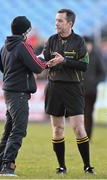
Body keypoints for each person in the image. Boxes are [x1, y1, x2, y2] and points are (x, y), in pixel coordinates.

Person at [0, 16, 60, 176]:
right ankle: (7, 166)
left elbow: (3, 68)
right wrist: (48, 62)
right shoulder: (23, 46)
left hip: (8, 92)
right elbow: (37, 68)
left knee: (9, 129)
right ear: (26, 31)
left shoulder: (5, 46)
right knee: (18, 130)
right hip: (19, 94)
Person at [43, 9, 95, 174]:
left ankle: (87, 166)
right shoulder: (51, 40)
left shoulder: (79, 42)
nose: (56, 23)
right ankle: (61, 167)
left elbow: (84, 66)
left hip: (73, 87)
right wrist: (46, 64)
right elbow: (43, 60)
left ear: (69, 23)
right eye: (56, 20)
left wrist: (64, 60)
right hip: (54, 87)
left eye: (60, 20)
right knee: (57, 129)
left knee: (78, 128)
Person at [83, 36, 105, 139]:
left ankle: (88, 135)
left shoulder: (96, 56)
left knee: (88, 113)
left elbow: (102, 73)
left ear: (91, 44)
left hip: (91, 91)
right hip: (79, 90)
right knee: (79, 114)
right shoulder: (79, 56)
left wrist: (94, 82)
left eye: (87, 44)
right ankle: (81, 135)